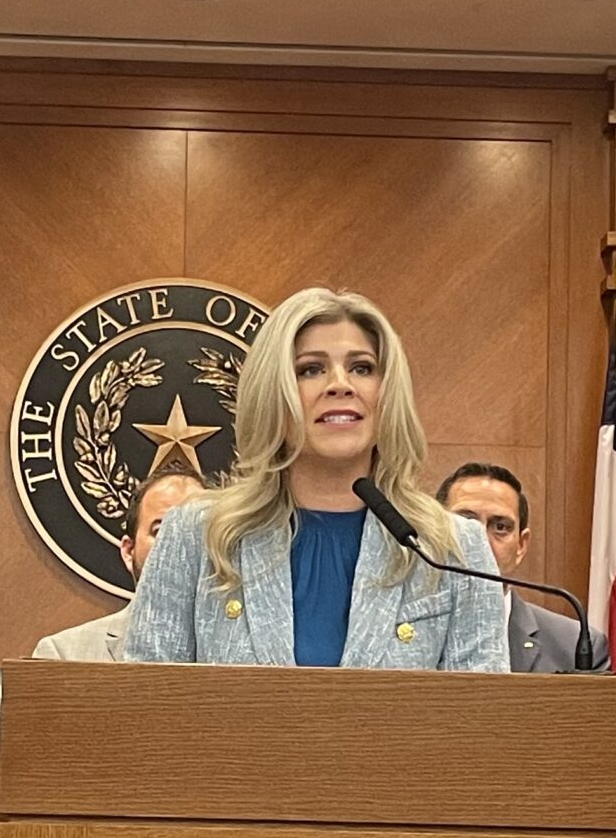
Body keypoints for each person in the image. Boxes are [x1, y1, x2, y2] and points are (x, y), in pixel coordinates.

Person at [124, 286, 504, 671]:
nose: (341, 384)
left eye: (362, 368)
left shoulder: (455, 549)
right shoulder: (198, 536)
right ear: (274, 393)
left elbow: (486, 721)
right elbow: (145, 706)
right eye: (311, 369)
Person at [437, 460, 609, 672]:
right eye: (464, 523)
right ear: (435, 533)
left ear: (521, 545)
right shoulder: (401, 635)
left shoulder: (572, 645)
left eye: (500, 527)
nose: (480, 540)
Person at [33, 466, 208, 660]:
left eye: (196, 530)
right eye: (161, 531)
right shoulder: (64, 655)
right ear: (128, 551)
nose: (178, 545)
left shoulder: (243, 654)